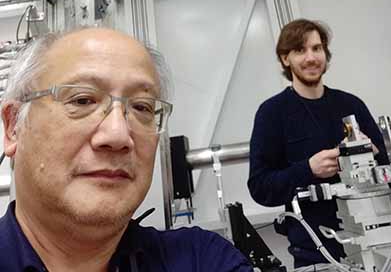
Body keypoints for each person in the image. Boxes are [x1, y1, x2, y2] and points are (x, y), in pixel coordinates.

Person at [0, 27, 253, 272]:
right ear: (13, 126)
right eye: (82, 100)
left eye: (142, 107)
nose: (118, 135)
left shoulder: (202, 261)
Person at [248, 19, 389, 268]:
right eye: (300, 50)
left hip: (376, 247)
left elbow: (387, 166)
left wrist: (373, 153)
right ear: (285, 59)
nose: (311, 57)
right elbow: (260, 187)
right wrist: (307, 169)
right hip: (316, 255)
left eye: (317, 48)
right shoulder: (272, 113)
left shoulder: (351, 105)